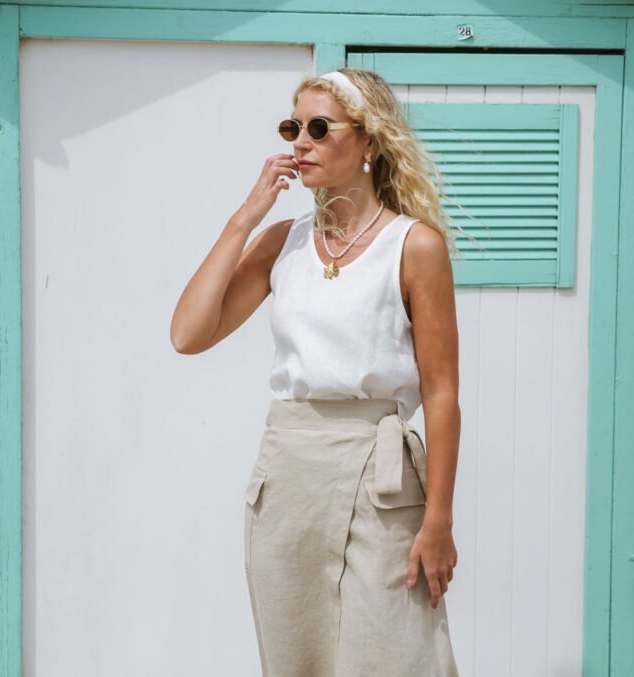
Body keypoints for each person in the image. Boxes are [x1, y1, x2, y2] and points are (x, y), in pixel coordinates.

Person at [171, 67, 461, 676]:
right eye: (292, 126)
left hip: (380, 477)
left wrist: (438, 519)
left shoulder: (413, 246)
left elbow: (441, 392)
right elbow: (188, 335)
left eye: (320, 127)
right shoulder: (284, 242)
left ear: (369, 142)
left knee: (396, 656)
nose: (299, 141)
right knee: (296, 659)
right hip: (289, 473)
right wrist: (245, 217)